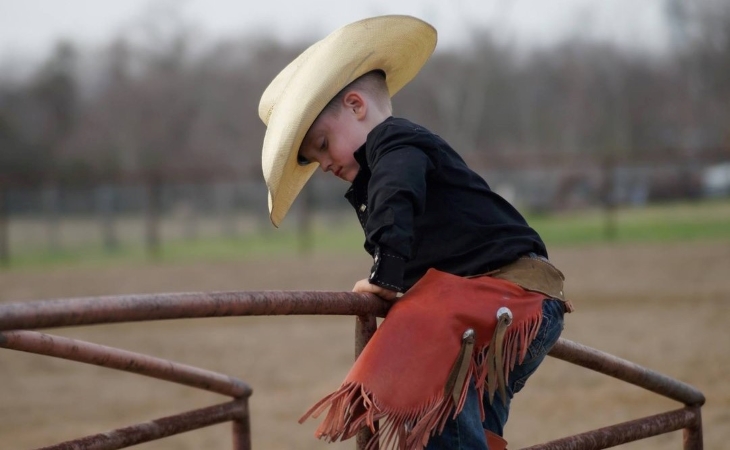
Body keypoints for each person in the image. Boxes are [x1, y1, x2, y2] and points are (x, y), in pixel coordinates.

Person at [258, 15, 572, 450]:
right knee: (470, 417)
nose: (324, 164)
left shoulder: (394, 143)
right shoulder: (382, 173)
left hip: (511, 297)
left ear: (355, 105)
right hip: (509, 307)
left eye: (324, 144)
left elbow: (397, 195)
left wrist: (384, 274)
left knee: (437, 406)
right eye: (313, 159)